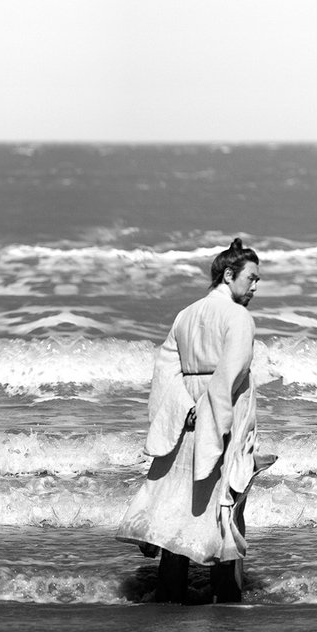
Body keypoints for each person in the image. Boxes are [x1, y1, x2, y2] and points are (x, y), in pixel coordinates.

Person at [116, 238, 273, 604]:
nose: (255, 286)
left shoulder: (185, 315)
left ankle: (170, 593)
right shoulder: (238, 317)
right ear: (229, 275)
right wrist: (214, 427)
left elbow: (164, 373)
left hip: (185, 419)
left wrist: (184, 409)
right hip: (221, 421)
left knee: (179, 505)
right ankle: (228, 596)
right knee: (225, 506)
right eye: (251, 278)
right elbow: (229, 376)